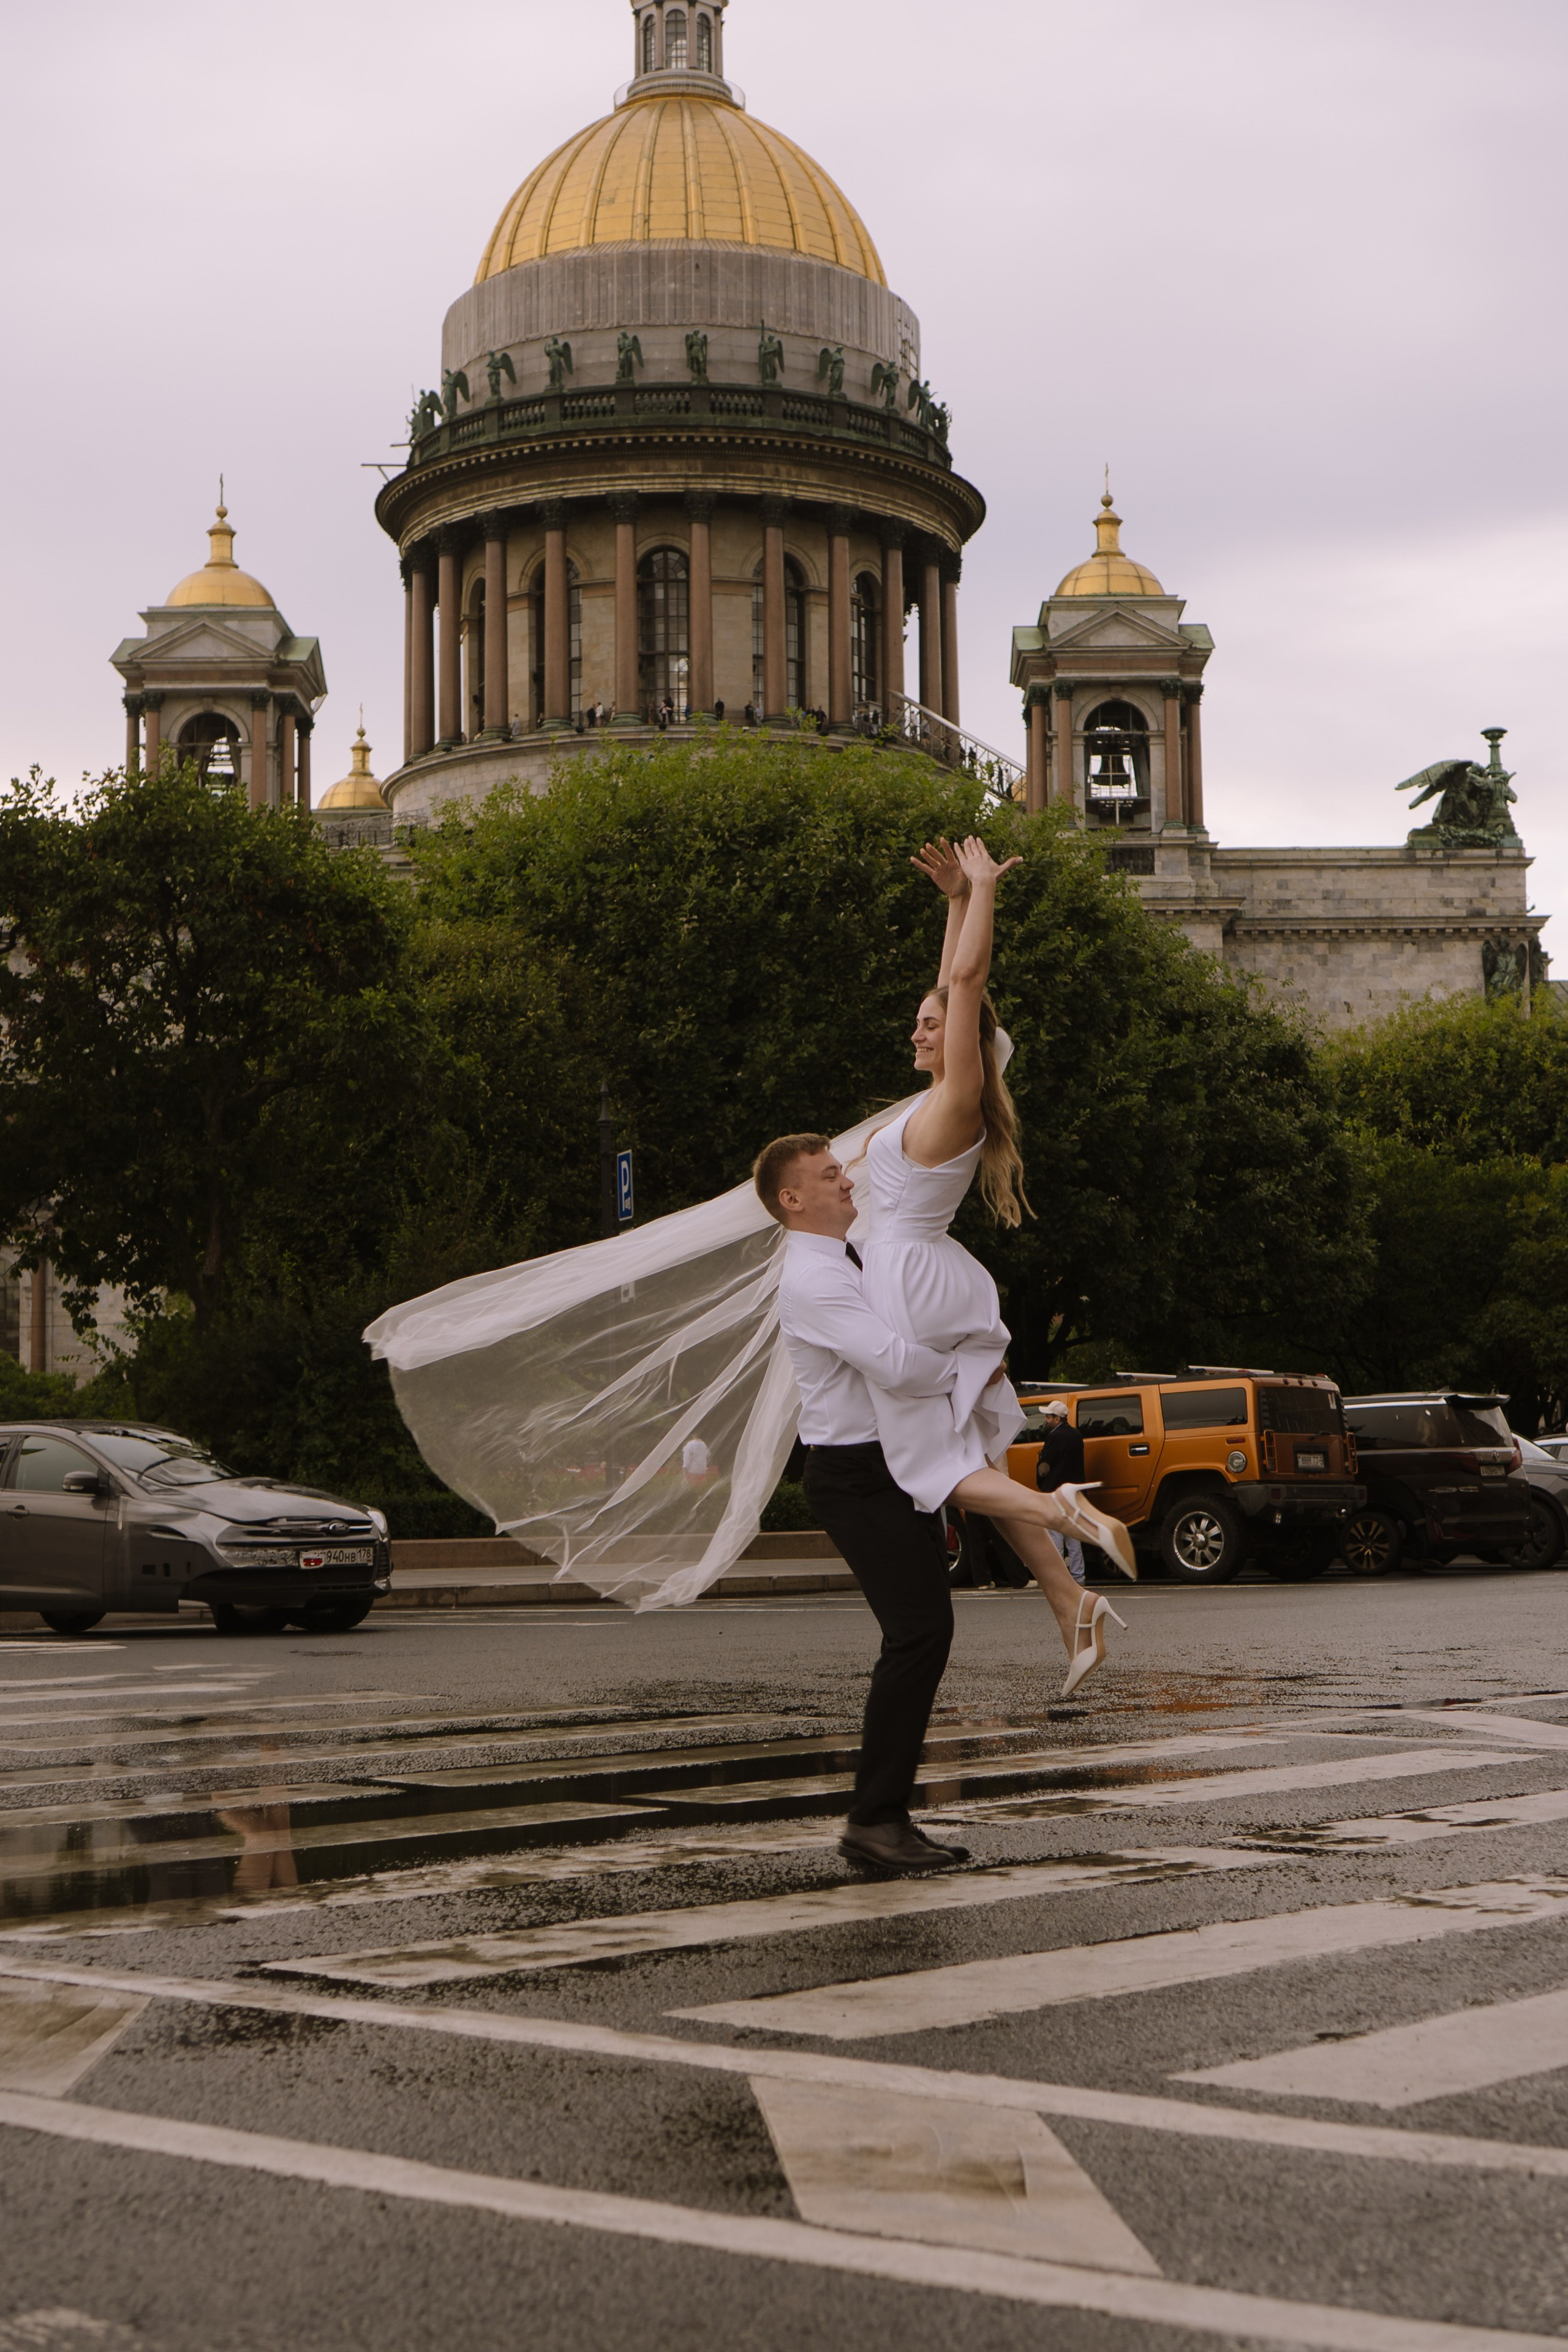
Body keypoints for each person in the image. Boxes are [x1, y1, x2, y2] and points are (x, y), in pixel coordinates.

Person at [858, 834, 1133, 1697]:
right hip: (930, 1276)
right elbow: (956, 987)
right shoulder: (943, 1097)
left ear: (963, 1042)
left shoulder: (958, 1098)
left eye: (928, 1026)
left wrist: (984, 891)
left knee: (924, 1465)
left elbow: (967, 985)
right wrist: (952, 903)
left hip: (907, 1285)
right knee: (976, 1455)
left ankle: (1065, 1510)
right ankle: (1069, 1602)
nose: (916, 1030)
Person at [758, 1129, 981, 1872]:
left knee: (922, 1633)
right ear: (792, 1198)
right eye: (829, 1176)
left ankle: (883, 1815)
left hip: (889, 1467)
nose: (846, 1182)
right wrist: (970, 1368)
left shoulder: (851, 1257)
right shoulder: (813, 1279)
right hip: (854, 1475)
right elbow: (893, 1366)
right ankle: (874, 1820)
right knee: (918, 1633)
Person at [1035, 1397, 1087, 1585]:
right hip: (1074, 1493)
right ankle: (1078, 1576)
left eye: (1048, 1417)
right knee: (1074, 1537)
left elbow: (1045, 1467)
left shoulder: (1054, 1437)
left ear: (1057, 1419)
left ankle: (1058, 1577)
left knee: (1055, 1535)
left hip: (1056, 1492)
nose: (1046, 1420)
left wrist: (1040, 1478)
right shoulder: (1077, 1435)